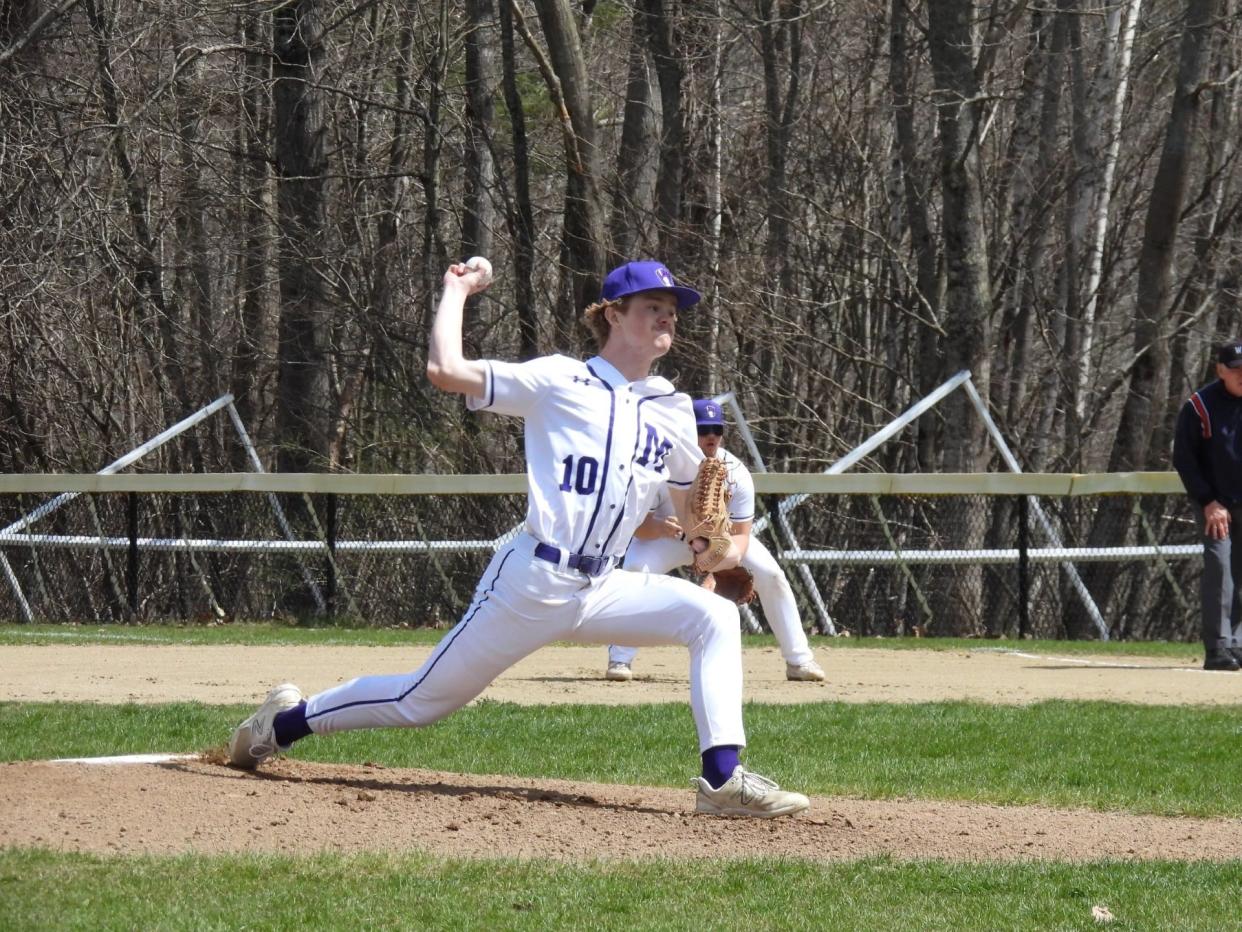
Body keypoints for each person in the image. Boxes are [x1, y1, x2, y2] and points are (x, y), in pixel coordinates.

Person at [227, 259, 810, 818]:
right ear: (612, 314)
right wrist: (457, 291)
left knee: (713, 618)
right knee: (419, 702)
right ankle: (277, 726)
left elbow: (694, 519)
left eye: (673, 311)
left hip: (604, 584)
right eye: (653, 306)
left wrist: (717, 550)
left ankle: (722, 778)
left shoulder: (673, 410)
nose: (667, 318)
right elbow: (446, 371)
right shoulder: (559, 379)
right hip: (532, 581)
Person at [605, 399, 827, 683]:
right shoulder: (659, 467)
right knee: (636, 570)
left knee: (771, 574)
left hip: (720, 542)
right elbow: (639, 528)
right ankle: (620, 658)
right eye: (703, 428)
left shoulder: (734, 472)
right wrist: (661, 527)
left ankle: (799, 660)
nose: (711, 435)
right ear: (687, 430)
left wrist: (717, 565)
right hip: (668, 537)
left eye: (716, 429)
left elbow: (742, 535)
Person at [1172, 339, 1242, 672]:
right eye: (1235, 369)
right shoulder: (1200, 405)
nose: (1241, 375)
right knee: (1220, 570)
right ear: (1220, 370)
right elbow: (1184, 458)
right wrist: (1208, 501)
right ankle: (1217, 648)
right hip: (1217, 506)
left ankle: (1238, 644)